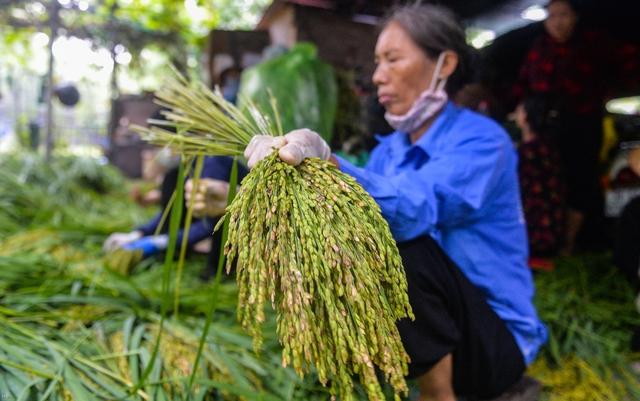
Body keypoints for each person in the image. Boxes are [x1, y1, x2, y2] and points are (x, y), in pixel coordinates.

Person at [188, 5, 547, 400]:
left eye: (393, 59)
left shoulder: (482, 142)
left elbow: (416, 209)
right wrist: (240, 202)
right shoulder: (389, 152)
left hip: (489, 344)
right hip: (433, 337)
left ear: (444, 64)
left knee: (397, 244)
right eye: (377, 62)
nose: (377, 76)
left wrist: (332, 163)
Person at [511, 0, 610, 254]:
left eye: (563, 15)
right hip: (547, 129)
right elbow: (523, 86)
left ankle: (571, 244)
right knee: (550, 183)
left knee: (582, 181)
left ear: (575, 17)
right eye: (551, 15)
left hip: (583, 127)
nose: (557, 21)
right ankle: (550, 242)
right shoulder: (538, 50)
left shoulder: (589, 47)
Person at [103, 156, 247, 262]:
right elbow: (170, 212)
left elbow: (210, 224)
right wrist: (138, 234)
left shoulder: (211, 170)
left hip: (240, 227)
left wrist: (162, 241)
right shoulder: (185, 171)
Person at [514, 95, 566, 260]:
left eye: (519, 110)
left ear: (526, 116)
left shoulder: (525, 152)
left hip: (533, 226)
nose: (516, 113)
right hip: (552, 223)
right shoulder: (550, 147)